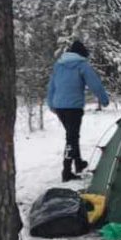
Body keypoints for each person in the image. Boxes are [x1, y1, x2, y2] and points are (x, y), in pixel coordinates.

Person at [47, 40, 110, 182]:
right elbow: (95, 84)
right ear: (82, 54)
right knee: (72, 138)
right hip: (73, 107)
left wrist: (51, 103)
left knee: (72, 135)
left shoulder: (59, 65)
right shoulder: (82, 65)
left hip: (59, 107)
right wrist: (104, 100)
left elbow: (51, 86)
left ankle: (79, 163)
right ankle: (66, 171)